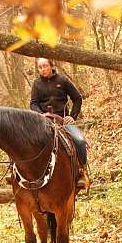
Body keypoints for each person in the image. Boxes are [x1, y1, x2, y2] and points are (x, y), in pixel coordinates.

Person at [29, 57, 90, 190]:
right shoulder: (36, 84)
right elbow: (33, 104)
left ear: (52, 65)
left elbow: (77, 98)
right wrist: (41, 114)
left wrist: (72, 116)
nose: (42, 69)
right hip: (43, 121)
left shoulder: (62, 81)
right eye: (40, 67)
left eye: (45, 66)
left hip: (62, 121)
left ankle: (82, 170)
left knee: (79, 141)